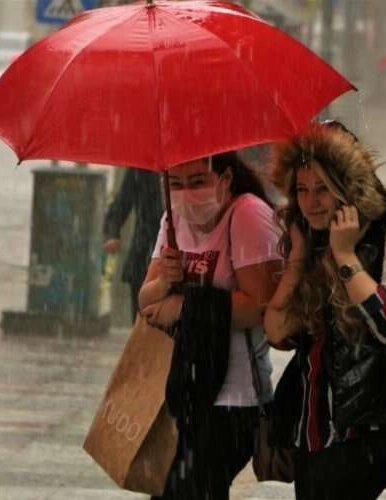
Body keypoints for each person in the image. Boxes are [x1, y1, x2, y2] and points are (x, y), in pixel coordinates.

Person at [264, 122, 386, 500]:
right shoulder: (308, 243)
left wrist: (344, 255)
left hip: (368, 430)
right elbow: (276, 332)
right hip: (312, 429)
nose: (312, 201)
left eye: (323, 188)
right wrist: (299, 257)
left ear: (349, 187)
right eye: (302, 190)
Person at [138, 151, 282, 500]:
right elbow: (147, 303)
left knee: (193, 489)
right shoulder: (173, 220)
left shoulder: (247, 213)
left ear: (226, 179)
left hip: (232, 397)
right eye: (175, 184)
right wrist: (163, 284)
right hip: (182, 388)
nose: (186, 193)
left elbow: (258, 306)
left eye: (198, 181)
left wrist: (186, 304)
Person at [102, 168, 164, 318]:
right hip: (143, 257)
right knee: (142, 324)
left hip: (180, 259)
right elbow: (121, 204)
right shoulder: (142, 168)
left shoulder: (188, 162)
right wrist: (112, 233)